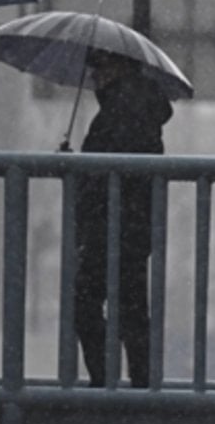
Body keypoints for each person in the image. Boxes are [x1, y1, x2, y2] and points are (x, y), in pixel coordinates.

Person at [73, 49, 172, 388]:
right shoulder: (135, 103)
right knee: (129, 307)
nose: (93, 74)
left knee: (86, 304)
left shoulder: (124, 106)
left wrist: (82, 169)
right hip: (129, 223)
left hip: (113, 222)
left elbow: (114, 160)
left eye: (99, 65)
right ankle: (138, 384)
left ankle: (106, 382)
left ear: (120, 65)